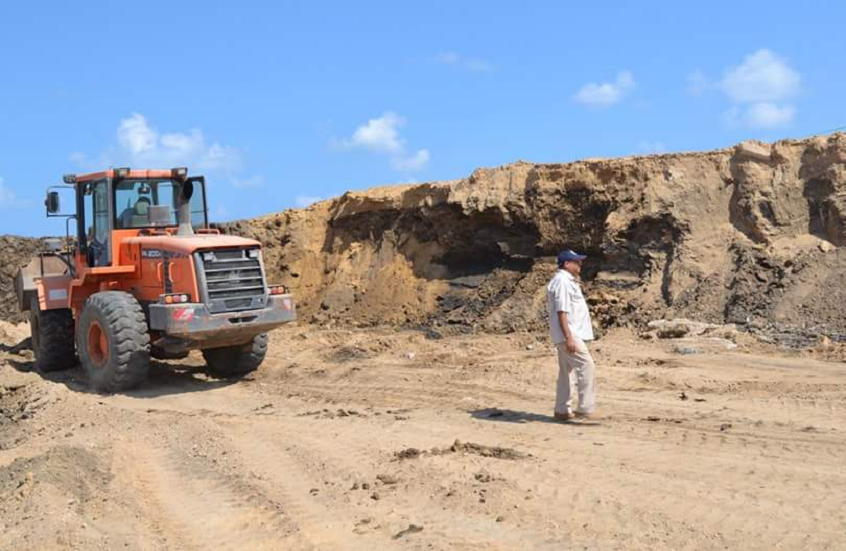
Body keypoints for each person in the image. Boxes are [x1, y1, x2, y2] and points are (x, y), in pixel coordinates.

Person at [546, 249, 597, 421]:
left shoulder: (565, 281)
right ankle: (585, 409)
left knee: (566, 373)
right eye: (576, 262)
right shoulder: (562, 282)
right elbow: (562, 311)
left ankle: (561, 410)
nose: (580, 264)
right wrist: (569, 337)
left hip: (568, 333)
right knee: (586, 366)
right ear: (567, 264)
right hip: (569, 333)